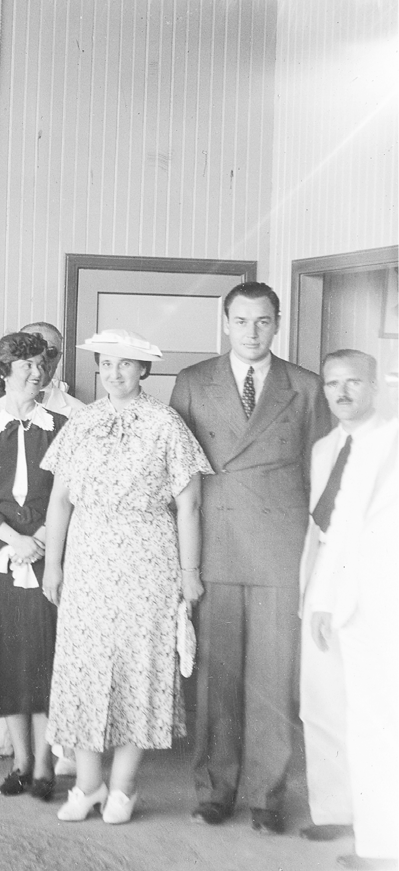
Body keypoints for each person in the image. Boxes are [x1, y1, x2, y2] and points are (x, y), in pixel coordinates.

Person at [170, 281, 332, 834]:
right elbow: (178, 477)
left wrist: (315, 560)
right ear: (225, 323)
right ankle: (215, 789)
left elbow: (319, 479)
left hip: (279, 549)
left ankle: (267, 795)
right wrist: (184, 562)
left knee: (273, 676)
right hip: (215, 543)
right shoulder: (193, 381)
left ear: (277, 323)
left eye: (263, 321)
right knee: (215, 677)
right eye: (241, 321)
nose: (252, 332)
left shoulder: (305, 387)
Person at [40, 328, 211, 825]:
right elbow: (60, 501)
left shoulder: (166, 423)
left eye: (125, 364)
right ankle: (88, 785)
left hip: (148, 558)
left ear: (144, 370)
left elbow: (189, 505)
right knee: (85, 667)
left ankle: (124, 787)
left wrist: (189, 572)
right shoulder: (82, 421)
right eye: (107, 363)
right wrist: (53, 564)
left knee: (140, 666)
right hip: (88, 558)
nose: (114, 373)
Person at [0, 320, 84, 773]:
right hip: (1, 557)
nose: (37, 372)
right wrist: (14, 540)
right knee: (6, 658)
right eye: (26, 365)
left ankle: (45, 766)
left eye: (40, 363)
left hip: (48, 555)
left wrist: (41, 541)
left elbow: (72, 496)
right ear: (4, 371)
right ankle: (20, 761)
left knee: (44, 657)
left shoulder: (63, 428)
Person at [297, 350, 398, 870]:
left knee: (375, 715)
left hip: (377, 593)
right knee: (321, 704)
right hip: (325, 583)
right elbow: (323, 529)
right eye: (332, 383)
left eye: (353, 382)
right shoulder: (325, 448)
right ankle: (337, 809)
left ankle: (381, 840)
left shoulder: (391, 442)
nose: (341, 392)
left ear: (375, 386)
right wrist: (316, 595)